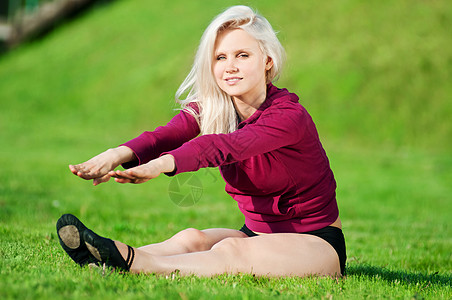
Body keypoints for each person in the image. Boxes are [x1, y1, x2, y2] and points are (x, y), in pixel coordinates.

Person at [57, 5, 346, 277]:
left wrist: (160, 166)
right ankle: (107, 256)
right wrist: (117, 154)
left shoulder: (288, 116)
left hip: (315, 242)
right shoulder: (217, 108)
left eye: (242, 55)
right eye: (221, 57)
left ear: (268, 61)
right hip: (256, 233)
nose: (230, 66)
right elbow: (167, 134)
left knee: (230, 250)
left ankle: (135, 263)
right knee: (191, 238)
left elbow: (225, 147)